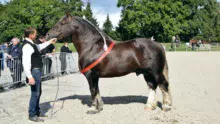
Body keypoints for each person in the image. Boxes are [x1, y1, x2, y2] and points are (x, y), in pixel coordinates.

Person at [22, 27, 56, 122]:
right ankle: (32, 114)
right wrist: (29, 77)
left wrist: (49, 41)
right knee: (35, 93)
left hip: (37, 71)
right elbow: (26, 62)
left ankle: (36, 111)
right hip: (34, 72)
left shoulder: (32, 44)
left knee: (38, 92)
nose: (36, 35)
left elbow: (40, 47)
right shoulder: (27, 46)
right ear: (31, 35)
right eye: (35, 33)